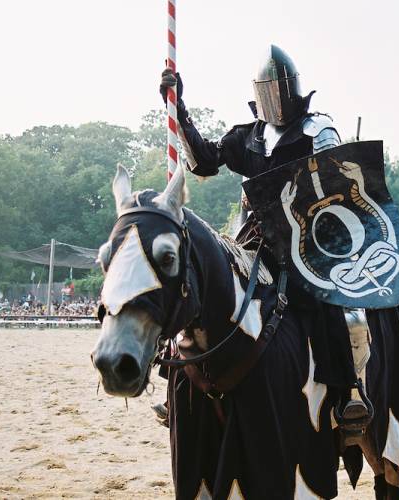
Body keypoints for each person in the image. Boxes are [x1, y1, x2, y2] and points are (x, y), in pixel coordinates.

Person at [157, 45, 371, 431]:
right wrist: (178, 106)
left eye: (280, 89)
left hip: (305, 243)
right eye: (267, 91)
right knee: (198, 290)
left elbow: (338, 188)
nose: (275, 99)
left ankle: (348, 394)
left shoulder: (318, 131)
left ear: (294, 89)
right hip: (250, 244)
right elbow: (203, 161)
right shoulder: (248, 137)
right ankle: (176, 389)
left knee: (339, 311)